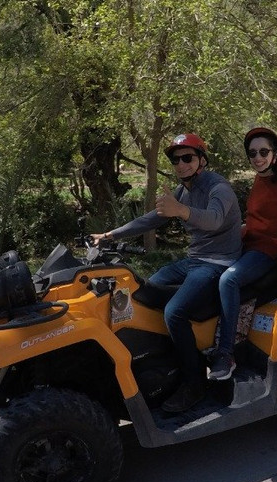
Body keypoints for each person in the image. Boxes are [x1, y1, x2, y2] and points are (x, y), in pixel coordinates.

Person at [91, 133, 242, 413]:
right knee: (147, 292)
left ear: (202, 160)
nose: (181, 164)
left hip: (217, 262)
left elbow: (215, 218)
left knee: (174, 311)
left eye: (188, 158)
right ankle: (165, 364)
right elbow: (152, 219)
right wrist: (111, 235)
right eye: (176, 160)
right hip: (194, 260)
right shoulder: (184, 190)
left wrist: (181, 210)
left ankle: (195, 383)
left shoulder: (217, 187)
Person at [210, 127, 277, 381]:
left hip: (268, 249)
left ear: (275, 154)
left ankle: (226, 353)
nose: (258, 157)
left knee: (228, 279)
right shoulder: (259, 180)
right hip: (249, 244)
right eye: (253, 153)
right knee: (206, 269)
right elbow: (257, 220)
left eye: (264, 151)